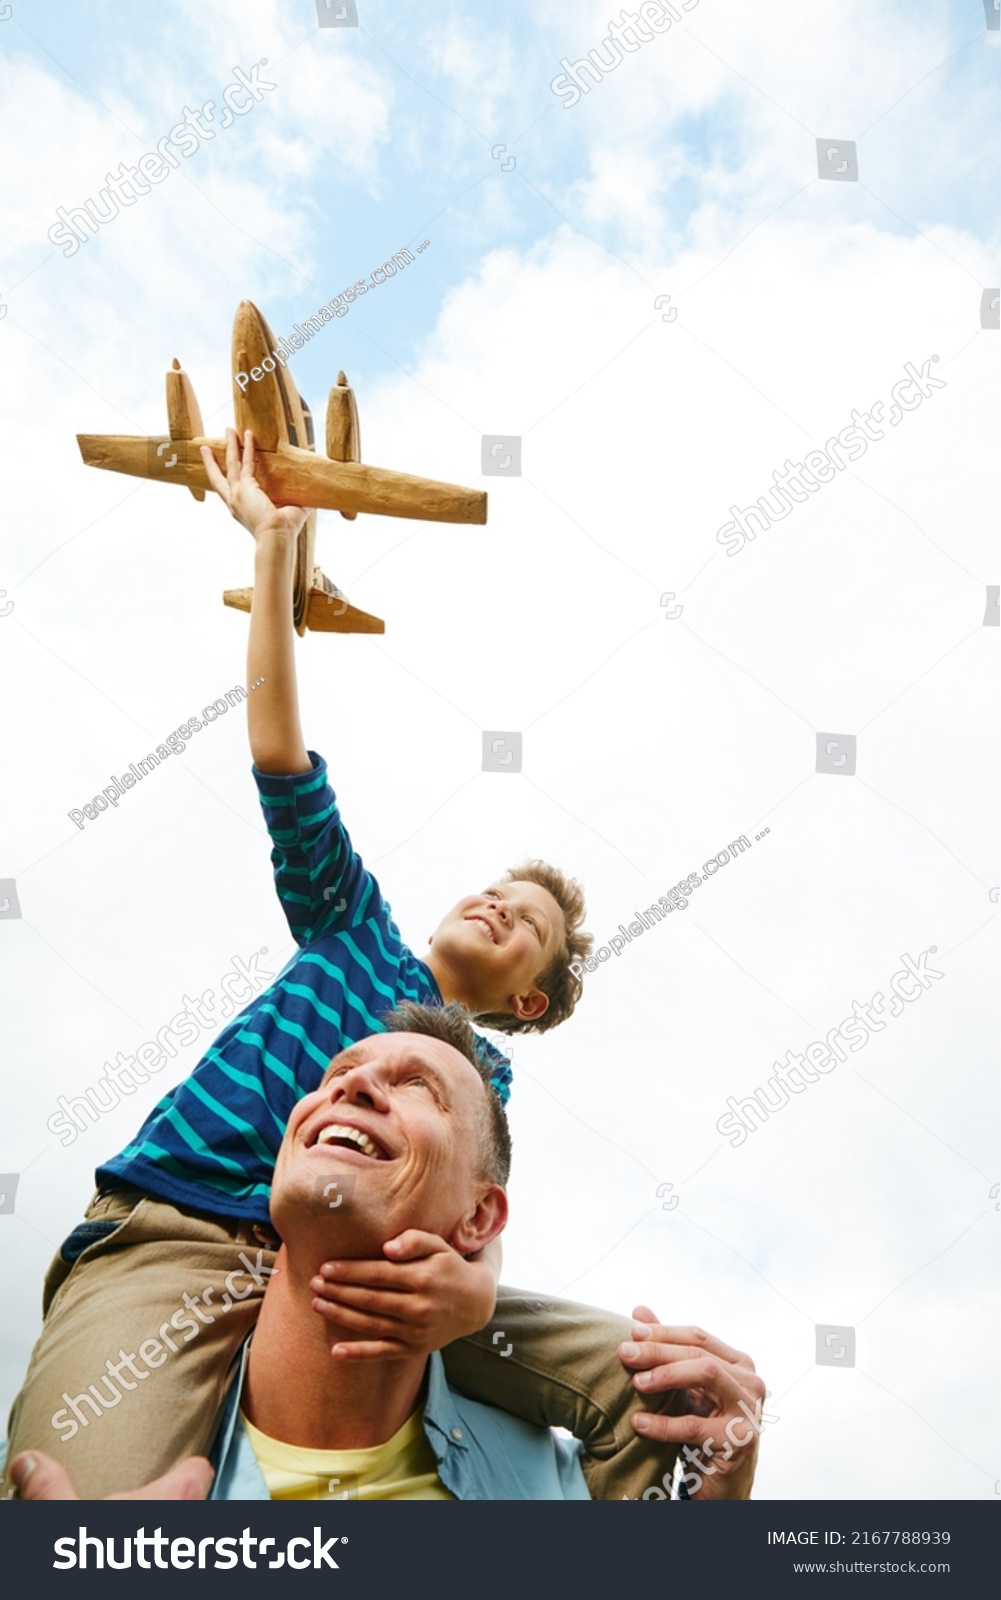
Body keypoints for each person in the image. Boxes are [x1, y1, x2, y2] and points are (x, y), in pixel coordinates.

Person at [6, 430, 676, 1498]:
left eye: (531, 924)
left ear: (527, 996)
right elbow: (279, 753)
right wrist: (274, 549)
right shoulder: (352, 928)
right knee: (77, 1508)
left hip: (371, 1279)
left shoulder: (485, 1085)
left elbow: (472, 1212)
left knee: (660, 1383)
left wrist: (468, 1288)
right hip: (183, 1230)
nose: (501, 901)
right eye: (499, 887)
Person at [8, 1004, 765, 1501]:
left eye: (418, 1089)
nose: (355, 1083)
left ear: (479, 1218)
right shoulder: (108, 1437)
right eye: (337, 1074)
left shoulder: (558, 1492)